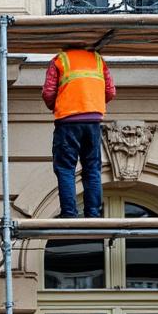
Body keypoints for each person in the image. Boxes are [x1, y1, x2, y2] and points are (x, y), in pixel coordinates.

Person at [43, 47, 116, 218]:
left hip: (68, 122)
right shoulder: (98, 60)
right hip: (93, 122)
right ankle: (93, 214)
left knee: (66, 169)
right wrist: (91, 102)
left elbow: (48, 93)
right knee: (92, 169)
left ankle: (69, 213)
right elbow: (111, 92)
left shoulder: (60, 59)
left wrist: (59, 105)